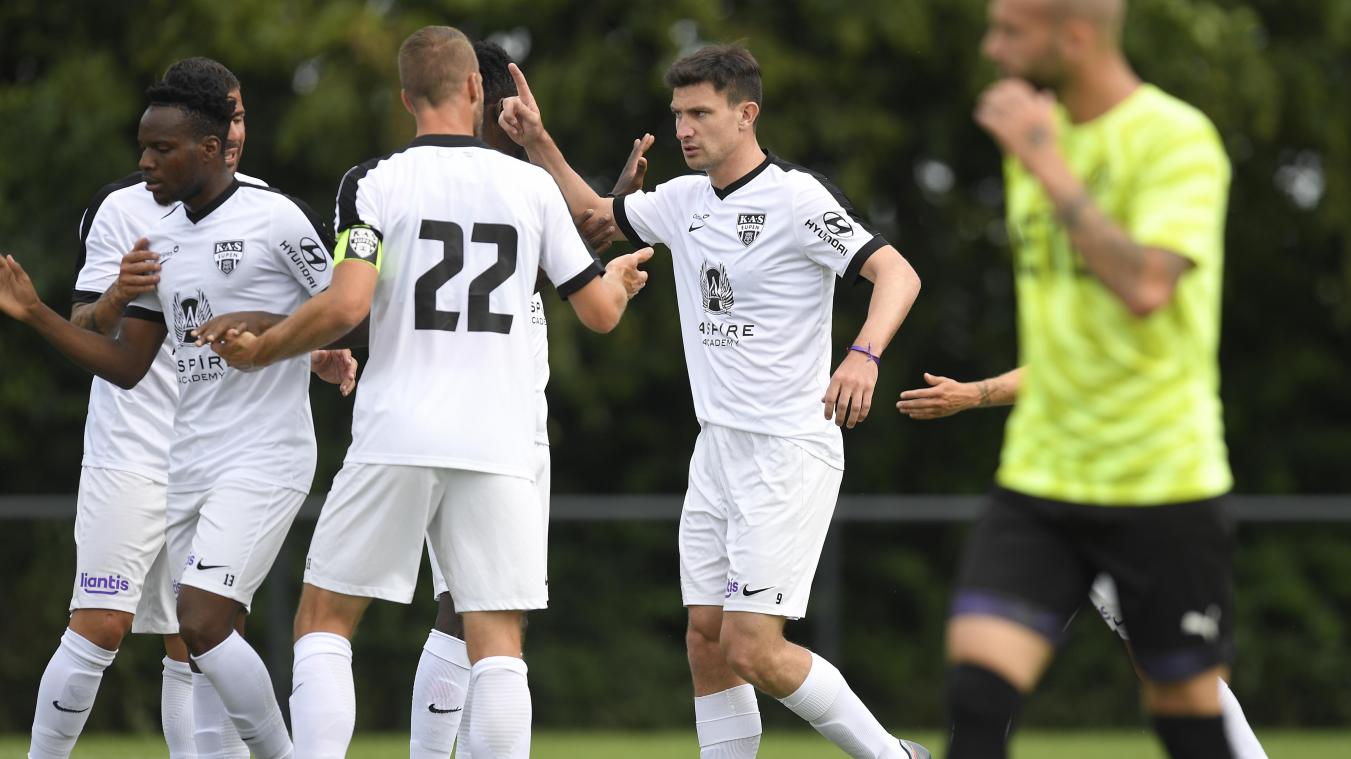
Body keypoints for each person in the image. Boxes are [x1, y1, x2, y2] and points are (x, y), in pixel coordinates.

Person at [193, 25, 649, 759]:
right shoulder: (530, 186)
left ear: (406, 98)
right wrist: (620, 283)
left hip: (397, 429)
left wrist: (266, 350)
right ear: (476, 90)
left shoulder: (374, 182)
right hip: (500, 442)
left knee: (325, 620)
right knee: (497, 641)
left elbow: (345, 306)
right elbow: (597, 314)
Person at [498, 44, 927, 759]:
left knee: (753, 646)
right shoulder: (682, 200)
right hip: (717, 451)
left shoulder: (796, 198)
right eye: (677, 115)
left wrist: (863, 353)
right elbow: (596, 215)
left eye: (700, 113)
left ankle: (894, 756)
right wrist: (539, 142)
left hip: (786, 449)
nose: (684, 129)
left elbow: (896, 274)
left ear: (745, 114)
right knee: (705, 636)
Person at [1, 65, 348, 759]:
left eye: (162, 148)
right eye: (145, 147)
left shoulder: (272, 214)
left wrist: (298, 339)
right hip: (146, 448)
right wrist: (45, 312)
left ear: (215, 142)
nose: (146, 161)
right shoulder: (143, 224)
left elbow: (345, 305)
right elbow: (119, 347)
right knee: (151, 628)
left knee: (201, 628)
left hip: (245, 451)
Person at [940, 0, 1239, 756]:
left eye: (1009, 30)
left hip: (1160, 478)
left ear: (1072, 36)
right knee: (975, 699)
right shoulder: (1035, 138)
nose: (990, 47)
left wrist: (1046, 162)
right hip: (1042, 474)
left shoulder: (1174, 138)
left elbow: (1144, 288)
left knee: (1185, 719)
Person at [405, 39, 653, 759]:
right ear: (477, 95)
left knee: (458, 608)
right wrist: (613, 244)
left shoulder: (411, 179)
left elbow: (544, 253)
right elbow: (593, 298)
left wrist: (606, 202)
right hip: (502, 423)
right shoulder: (517, 185)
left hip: (426, 416)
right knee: (487, 618)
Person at [898, 369, 1267, 759]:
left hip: (1146, 489)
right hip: (1048, 492)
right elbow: (1056, 363)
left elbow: (1103, 361)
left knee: (1181, 688)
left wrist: (974, 394)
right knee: (982, 683)